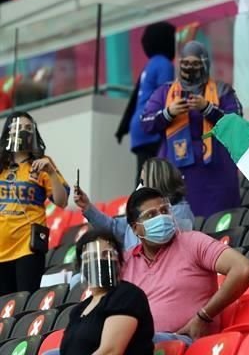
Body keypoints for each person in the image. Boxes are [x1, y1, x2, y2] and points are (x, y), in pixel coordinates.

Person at [121, 187, 249, 343]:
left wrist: (203, 316)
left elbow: (244, 270)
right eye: (151, 215)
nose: (161, 218)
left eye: (164, 211)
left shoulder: (192, 242)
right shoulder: (125, 262)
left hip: (187, 342)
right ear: (135, 228)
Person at [140, 41, 243, 218]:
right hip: (176, 175)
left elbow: (237, 122)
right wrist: (169, 112)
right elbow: (145, 122)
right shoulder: (164, 92)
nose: (190, 68)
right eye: (185, 64)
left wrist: (207, 108)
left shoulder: (222, 90)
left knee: (218, 223)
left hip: (216, 172)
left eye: (195, 64)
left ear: (205, 64)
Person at [0, 112, 68, 296]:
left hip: (28, 248)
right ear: (8, 132)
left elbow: (62, 202)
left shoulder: (42, 164)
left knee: (24, 303)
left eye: (28, 128)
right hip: (1, 247)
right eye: (18, 128)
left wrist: (52, 173)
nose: (23, 132)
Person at [60, 231, 154, 355]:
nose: (98, 260)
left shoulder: (127, 295)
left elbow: (110, 351)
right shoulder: (78, 310)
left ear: (119, 261)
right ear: (81, 266)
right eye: (90, 257)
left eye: (107, 254)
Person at [74, 158, 194, 251]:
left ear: (157, 182)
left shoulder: (179, 213)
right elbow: (113, 227)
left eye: (143, 182)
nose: (139, 187)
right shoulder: (138, 215)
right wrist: (87, 207)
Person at [116, 22, 177, 183]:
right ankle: (139, 206)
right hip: (152, 125)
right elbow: (165, 95)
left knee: (144, 175)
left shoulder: (149, 65)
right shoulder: (164, 64)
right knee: (155, 176)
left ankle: (138, 204)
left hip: (139, 125)